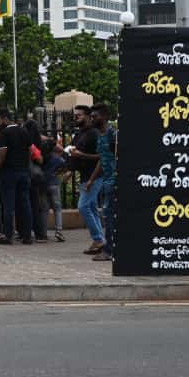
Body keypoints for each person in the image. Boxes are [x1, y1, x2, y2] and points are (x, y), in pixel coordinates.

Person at [0, 109, 34, 245]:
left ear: (4, 119)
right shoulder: (23, 131)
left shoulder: (5, 133)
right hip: (23, 172)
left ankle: (7, 235)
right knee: (25, 204)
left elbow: (2, 154)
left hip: (9, 173)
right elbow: (29, 151)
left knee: (8, 205)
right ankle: (27, 235)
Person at [69, 105, 104, 255]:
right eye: (75, 115)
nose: (76, 117)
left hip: (94, 176)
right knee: (92, 208)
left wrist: (81, 155)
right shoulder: (80, 134)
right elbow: (76, 155)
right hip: (85, 176)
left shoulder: (94, 134)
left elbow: (101, 157)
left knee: (83, 206)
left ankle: (98, 239)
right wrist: (70, 169)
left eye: (79, 115)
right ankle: (100, 241)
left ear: (88, 117)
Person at [91, 104, 118, 262]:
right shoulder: (100, 136)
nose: (93, 119)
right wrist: (92, 180)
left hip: (113, 180)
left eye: (96, 116)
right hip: (107, 180)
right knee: (107, 216)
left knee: (109, 216)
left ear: (105, 117)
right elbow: (102, 160)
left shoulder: (112, 134)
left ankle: (109, 250)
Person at [40, 139, 66, 243]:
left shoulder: (41, 158)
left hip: (43, 185)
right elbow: (65, 166)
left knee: (44, 209)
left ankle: (43, 233)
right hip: (54, 183)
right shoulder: (57, 158)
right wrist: (57, 173)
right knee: (57, 208)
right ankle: (58, 231)